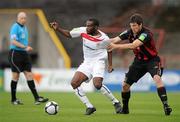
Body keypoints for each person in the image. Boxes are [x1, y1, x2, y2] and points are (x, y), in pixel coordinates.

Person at [50, 18, 122, 115]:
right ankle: (90, 106)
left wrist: (110, 65)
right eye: (87, 25)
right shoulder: (83, 30)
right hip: (87, 63)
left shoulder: (104, 38)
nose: (87, 27)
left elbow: (110, 49)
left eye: (89, 26)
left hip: (98, 62)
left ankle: (116, 102)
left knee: (97, 84)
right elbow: (69, 34)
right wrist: (58, 28)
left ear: (96, 27)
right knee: (74, 83)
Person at [108, 13, 172, 115]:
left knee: (157, 79)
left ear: (140, 25)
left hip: (152, 60)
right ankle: (125, 109)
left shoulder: (146, 34)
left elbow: (134, 45)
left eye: (135, 26)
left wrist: (115, 46)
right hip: (138, 62)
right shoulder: (129, 32)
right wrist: (102, 42)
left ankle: (166, 105)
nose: (133, 28)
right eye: (131, 26)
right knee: (125, 86)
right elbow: (115, 39)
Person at [8, 12, 49, 105]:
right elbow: (13, 41)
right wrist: (24, 47)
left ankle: (37, 98)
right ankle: (13, 99)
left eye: (25, 18)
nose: (24, 20)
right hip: (15, 53)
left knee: (29, 75)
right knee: (15, 76)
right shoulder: (15, 27)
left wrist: (25, 49)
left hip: (24, 54)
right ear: (18, 18)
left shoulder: (24, 27)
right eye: (22, 18)